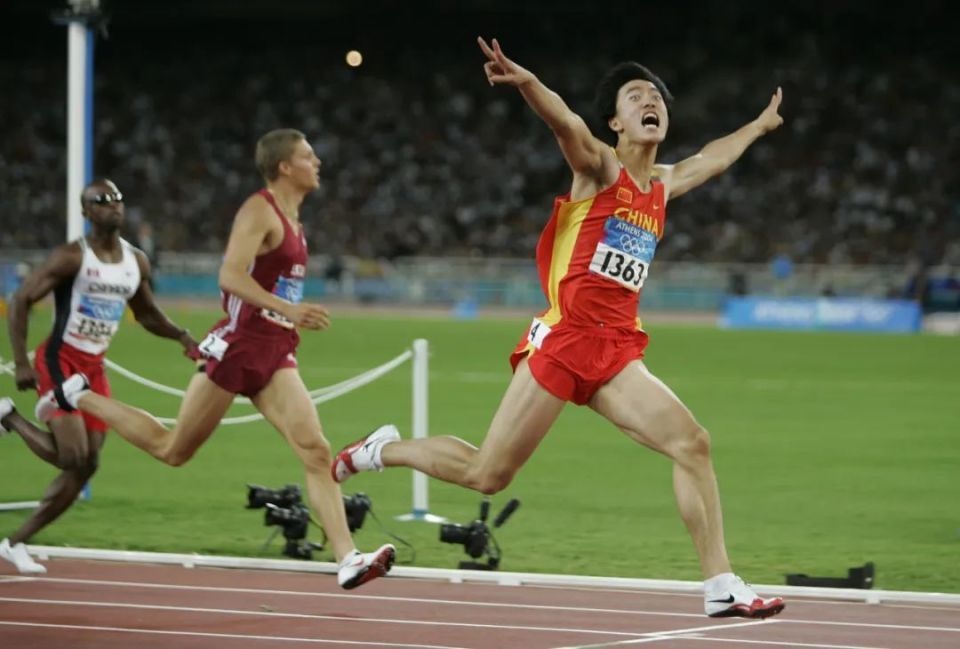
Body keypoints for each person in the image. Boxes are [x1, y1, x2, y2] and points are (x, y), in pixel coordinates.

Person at [332, 38, 786, 618]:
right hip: (565, 338)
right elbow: (566, 123)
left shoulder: (663, 184)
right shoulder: (600, 168)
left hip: (618, 349)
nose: (651, 101)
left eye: (656, 97)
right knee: (487, 473)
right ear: (616, 122)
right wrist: (527, 83)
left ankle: (720, 584)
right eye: (635, 95)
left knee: (692, 443)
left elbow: (714, 157)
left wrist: (758, 125)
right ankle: (382, 449)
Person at [37, 129, 396, 589]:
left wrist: (284, 319)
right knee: (173, 450)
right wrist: (288, 308)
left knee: (316, 450)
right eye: (308, 155)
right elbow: (228, 275)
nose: (318, 162)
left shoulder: (296, 219)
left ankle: (348, 559)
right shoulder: (258, 210)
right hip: (238, 345)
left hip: (275, 351)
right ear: (285, 166)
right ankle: (78, 395)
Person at [0, 179, 200, 574]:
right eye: (102, 201)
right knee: (72, 455)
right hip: (59, 360)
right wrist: (21, 363)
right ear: (86, 211)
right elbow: (21, 298)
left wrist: (181, 335)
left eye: (118, 199)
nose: (113, 206)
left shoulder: (135, 261)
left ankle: (14, 543)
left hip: (94, 368)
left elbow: (146, 314)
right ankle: (9, 416)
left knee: (88, 464)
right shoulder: (72, 257)